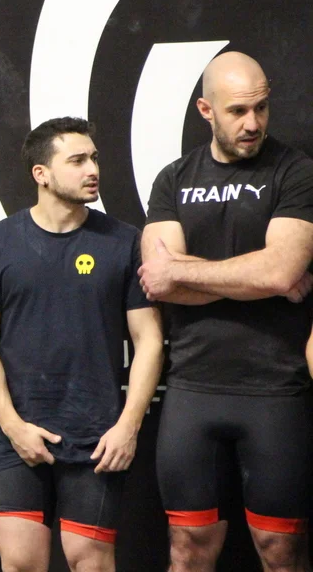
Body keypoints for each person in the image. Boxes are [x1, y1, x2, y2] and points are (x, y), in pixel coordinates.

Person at [0, 116, 164, 572]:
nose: (93, 170)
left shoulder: (124, 242)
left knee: (90, 561)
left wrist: (128, 427)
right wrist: (12, 425)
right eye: (77, 160)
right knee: (20, 561)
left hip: (97, 437)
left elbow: (149, 340)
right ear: (41, 174)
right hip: (17, 434)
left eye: (94, 159)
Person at [140, 51, 313, 572]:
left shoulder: (296, 172)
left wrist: (189, 271)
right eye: (237, 110)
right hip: (193, 388)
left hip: (276, 389)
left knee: (281, 550)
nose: (253, 123)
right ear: (205, 110)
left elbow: (280, 270)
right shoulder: (173, 179)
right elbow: (159, 282)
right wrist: (259, 278)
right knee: (187, 550)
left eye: (261, 108)